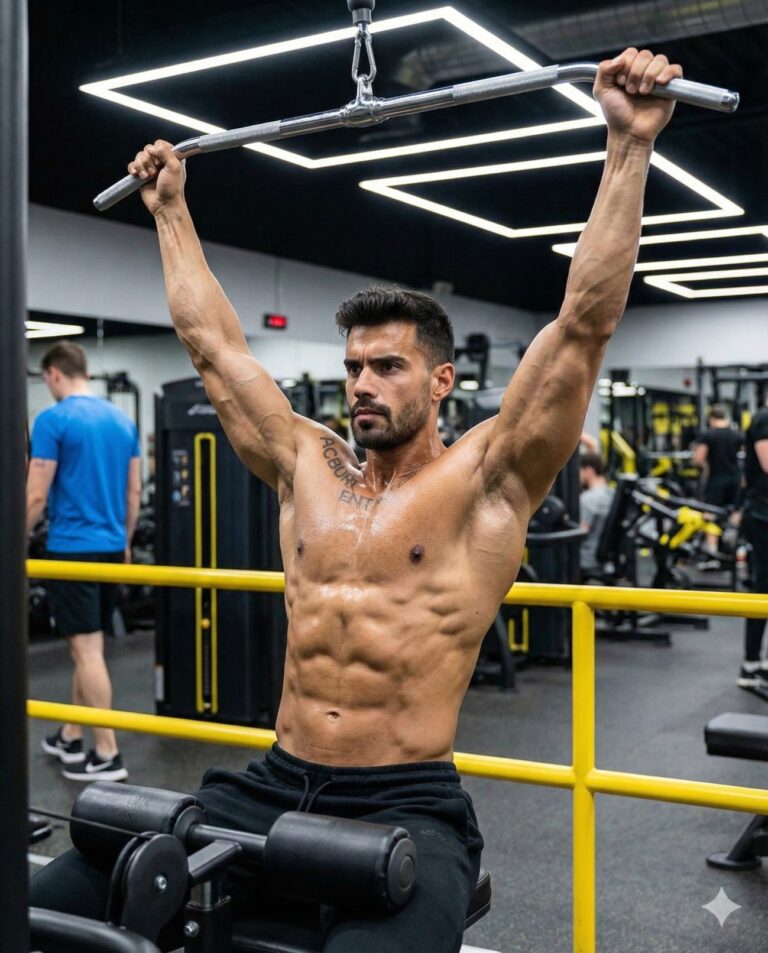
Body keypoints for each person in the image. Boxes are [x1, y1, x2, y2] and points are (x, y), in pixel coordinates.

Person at [31, 49, 685, 952]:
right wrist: (172, 211)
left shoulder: (487, 479)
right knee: (57, 899)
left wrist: (628, 146)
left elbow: (582, 323)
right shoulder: (305, 460)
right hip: (270, 780)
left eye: (387, 366)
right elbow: (216, 350)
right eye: (352, 368)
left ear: (442, 380)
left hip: (406, 796)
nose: (362, 384)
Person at [27, 341, 141, 782]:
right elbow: (133, 492)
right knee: (87, 647)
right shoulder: (120, 419)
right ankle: (71, 735)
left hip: (73, 549)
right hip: (112, 546)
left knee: (87, 649)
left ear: (54, 374)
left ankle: (107, 753)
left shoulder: (53, 419)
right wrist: (126, 540)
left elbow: (36, 493)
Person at [738, 399, 768, 692]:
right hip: (761, 516)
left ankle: (761, 661)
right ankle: (749, 664)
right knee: (762, 589)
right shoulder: (764, 418)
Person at [693, 404, 743, 565]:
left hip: (716, 479)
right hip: (734, 479)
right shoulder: (737, 435)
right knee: (734, 514)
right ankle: (736, 551)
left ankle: (713, 555)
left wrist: (705, 468)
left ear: (711, 418)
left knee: (710, 515)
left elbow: (699, 458)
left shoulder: (708, 435)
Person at [579, 452, 615, 579]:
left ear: (589, 471)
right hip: (606, 560)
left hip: (586, 559)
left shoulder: (588, 499)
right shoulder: (612, 494)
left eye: (580, 472)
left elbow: (581, 531)